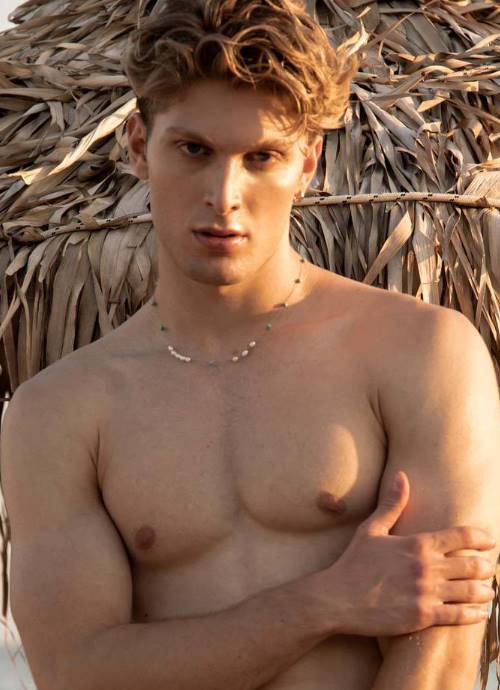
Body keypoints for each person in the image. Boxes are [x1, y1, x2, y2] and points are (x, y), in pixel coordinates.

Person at [1, 1, 499, 689]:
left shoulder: (422, 353)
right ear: (139, 146)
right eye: (194, 150)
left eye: (261, 157)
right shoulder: (58, 411)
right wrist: (323, 604)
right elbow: (76, 672)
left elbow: (439, 658)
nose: (224, 195)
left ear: (307, 162)